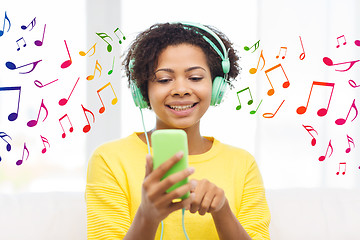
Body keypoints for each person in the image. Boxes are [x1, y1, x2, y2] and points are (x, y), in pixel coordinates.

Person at [86, 22, 270, 240]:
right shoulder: (109, 159)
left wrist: (222, 212)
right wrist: (147, 216)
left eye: (195, 78)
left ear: (217, 86)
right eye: (164, 79)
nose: (181, 90)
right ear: (142, 90)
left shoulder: (242, 163)